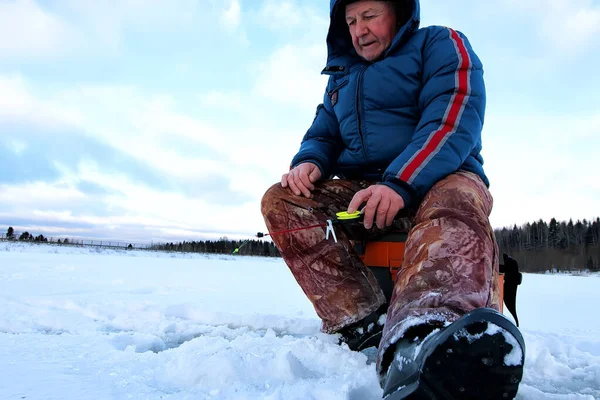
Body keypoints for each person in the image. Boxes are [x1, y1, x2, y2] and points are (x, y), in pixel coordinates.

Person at [260, 0, 525, 398]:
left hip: (442, 175)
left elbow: (452, 117)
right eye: (350, 21)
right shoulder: (341, 76)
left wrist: (399, 183)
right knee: (282, 201)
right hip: (365, 192)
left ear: (399, 13)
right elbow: (324, 133)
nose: (358, 30)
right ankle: (363, 323)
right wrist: (309, 163)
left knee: (456, 202)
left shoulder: (439, 44)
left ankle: (425, 335)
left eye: (369, 16)